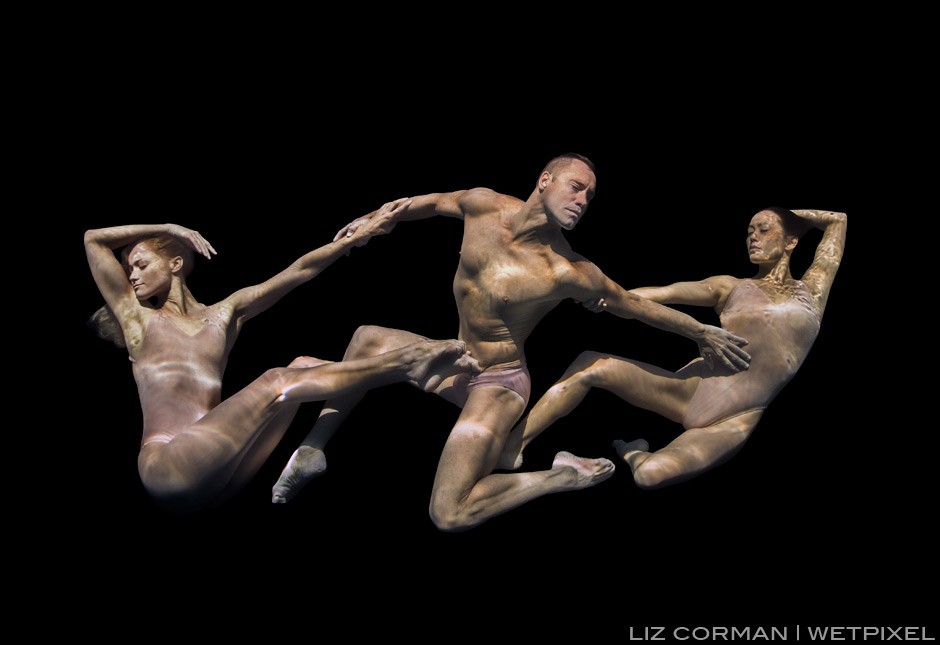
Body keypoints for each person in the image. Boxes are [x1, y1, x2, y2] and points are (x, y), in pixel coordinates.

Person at [272, 153, 752, 530]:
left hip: (498, 384)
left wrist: (701, 330)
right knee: (366, 337)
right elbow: (431, 200)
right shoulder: (483, 205)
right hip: (456, 358)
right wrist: (376, 216)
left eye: (591, 195)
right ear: (544, 180)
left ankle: (562, 475)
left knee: (450, 513)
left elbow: (632, 304)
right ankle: (312, 452)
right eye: (576, 187)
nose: (583, 201)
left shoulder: (566, 270)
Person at [84, 200, 479, 514]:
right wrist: (167, 228)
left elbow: (297, 272)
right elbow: (93, 239)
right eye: (129, 268)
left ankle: (313, 449)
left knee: (302, 368)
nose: (132, 276)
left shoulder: (223, 314)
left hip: (223, 473)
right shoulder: (138, 321)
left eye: (141, 264)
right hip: (168, 467)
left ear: (174, 264)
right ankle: (408, 361)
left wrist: (355, 239)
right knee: (276, 381)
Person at [498, 207, 847, 489]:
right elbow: (662, 293)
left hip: (735, 420)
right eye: (749, 231)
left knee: (648, 475)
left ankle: (634, 452)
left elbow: (837, 220)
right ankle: (516, 443)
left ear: (791, 241)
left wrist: (787, 214)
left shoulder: (812, 292)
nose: (752, 236)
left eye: (764, 229)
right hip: (690, 390)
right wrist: (604, 296)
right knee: (591, 364)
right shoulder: (730, 287)